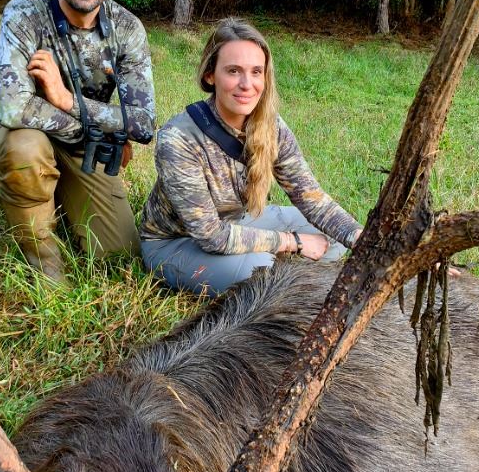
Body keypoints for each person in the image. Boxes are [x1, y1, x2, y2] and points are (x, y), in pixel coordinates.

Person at [140, 17, 362, 297]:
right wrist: (292, 242)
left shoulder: (271, 126)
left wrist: (361, 238)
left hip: (238, 223)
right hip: (178, 243)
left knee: (334, 236)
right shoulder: (178, 139)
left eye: (256, 72)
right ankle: (280, 278)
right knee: (260, 274)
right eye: (233, 71)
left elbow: (311, 198)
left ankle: (285, 276)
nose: (247, 84)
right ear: (210, 75)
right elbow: (211, 235)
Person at [0, 0, 155, 283]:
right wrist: (95, 128)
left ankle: (61, 194)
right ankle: (45, 266)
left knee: (120, 254)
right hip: (32, 134)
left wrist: (68, 100)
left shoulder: (127, 29)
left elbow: (143, 123)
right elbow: (12, 107)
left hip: (84, 147)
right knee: (24, 148)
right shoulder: (24, 13)